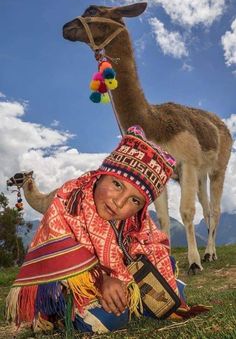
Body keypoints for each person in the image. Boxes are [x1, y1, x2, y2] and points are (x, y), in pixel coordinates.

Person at [6, 125, 206, 335]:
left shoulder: (137, 222)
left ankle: (128, 300)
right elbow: (57, 260)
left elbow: (152, 247)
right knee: (113, 318)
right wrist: (102, 280)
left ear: (141, 208)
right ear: (102, 174)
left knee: (173, 288)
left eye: (134, 200)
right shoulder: (68, 201)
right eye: (117, 185)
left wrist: (141, 273)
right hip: (68, 285)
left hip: (117, 278)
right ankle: (62, 316)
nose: (119, 202)